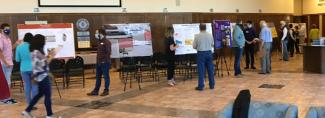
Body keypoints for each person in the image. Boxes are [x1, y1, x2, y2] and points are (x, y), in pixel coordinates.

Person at [22, 34, 55, 118]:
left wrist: (48, 56)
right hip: (42, 77)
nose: (44, 43)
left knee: (39, 94)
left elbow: (41, 62)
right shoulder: (37, 52)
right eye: (44, 41)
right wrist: (52, 55)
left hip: (39, 76)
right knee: (47, 95)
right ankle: (49, 115)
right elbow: (45, 62)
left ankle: (27, 110)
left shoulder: (34, 52)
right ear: (40, 42)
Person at [16, 33, 38, 108]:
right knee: (34, 86)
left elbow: (17, 59)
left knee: (27, 86)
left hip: (23, 69)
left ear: (24, 38)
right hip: (33, 69)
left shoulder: (19, 47)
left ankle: (29, 104)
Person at [87, 28, 111, 96]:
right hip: (98, 63)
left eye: (96, 33)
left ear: (101, 33)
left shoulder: (107, 42)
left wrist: (103, 61)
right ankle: (96, 91)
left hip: (105, 63)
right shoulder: (99, 41)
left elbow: (108, 53)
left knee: (106, 77)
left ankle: (106, 90)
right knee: (98, 77)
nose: (95, 34)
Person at [193, 24, 214, 91]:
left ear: (199, 28)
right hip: (209, 53)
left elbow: (194, 46)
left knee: (201, 70)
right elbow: (212, 44)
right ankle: (212, 85)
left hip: (201, 53)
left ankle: (201, 86)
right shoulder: (210, 35)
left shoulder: (197, 36)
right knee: (210, 69)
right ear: (206, 28)